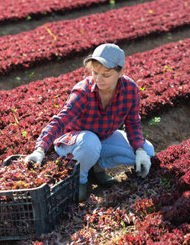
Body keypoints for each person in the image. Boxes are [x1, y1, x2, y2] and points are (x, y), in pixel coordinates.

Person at [24, 43, 155, 201]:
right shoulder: (83, 92)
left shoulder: (130, 90)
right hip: (74, 142)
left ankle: (97, 167)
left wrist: (139, 150)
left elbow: (133, 124)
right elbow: (60, 121)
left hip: (102, 139)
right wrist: (40, 149)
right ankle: (80, 180)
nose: (99, 79)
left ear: (121, 72)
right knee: (89, 143)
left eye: (106, 75)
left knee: (148, 152)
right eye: (95, 73)